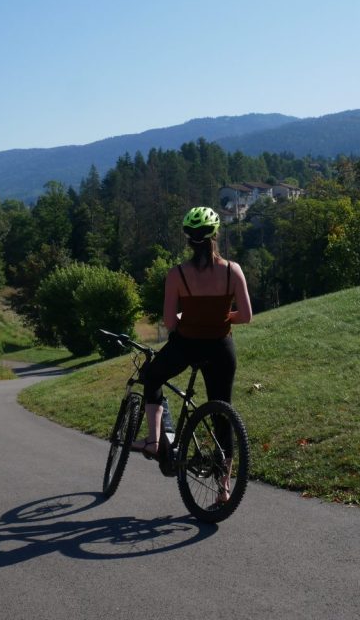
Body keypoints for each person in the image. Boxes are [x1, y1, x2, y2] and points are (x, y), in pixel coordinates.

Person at [131, 206, 253, 503]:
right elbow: (246, 316)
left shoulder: (177, 274)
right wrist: (220, 316)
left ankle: (153, 440)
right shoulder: (232, 270)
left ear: (188, 239)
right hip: (221, 347)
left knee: (152, 376)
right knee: (222, 412)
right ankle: (224, 488)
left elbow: (170, 322)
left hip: (186, 345)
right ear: (215, 235)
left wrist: (191, 317)